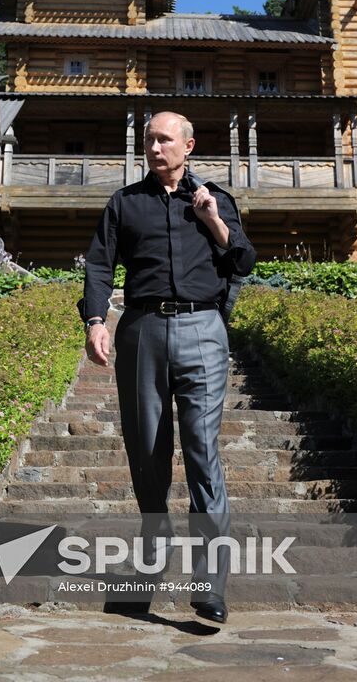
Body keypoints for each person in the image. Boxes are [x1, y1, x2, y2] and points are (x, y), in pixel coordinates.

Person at [78, 111, 256, 623]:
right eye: (149, 139)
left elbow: (243, 261)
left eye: (164, 139)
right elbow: (98, 264)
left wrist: (213, 220)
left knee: (202, 452)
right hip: (141, 333)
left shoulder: (214, 199)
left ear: (189, 145)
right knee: (148, 452)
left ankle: (209, 583)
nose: (155, 147)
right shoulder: (124, 203)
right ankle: (154, 554)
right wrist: (96, 320)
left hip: (203, 330)